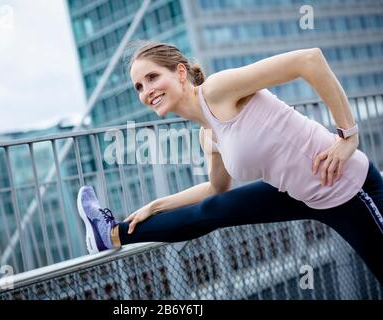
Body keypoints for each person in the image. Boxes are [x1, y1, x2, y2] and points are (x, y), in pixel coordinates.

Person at [77, 41, 383, 285]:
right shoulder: (207, 136)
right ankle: (111, 234)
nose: (147, 91)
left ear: (181, 73)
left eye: (152, 77)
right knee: (213, 211)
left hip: (346, 187)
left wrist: (348, 137)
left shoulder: (218, 90)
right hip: (300, 193)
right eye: (139, 87)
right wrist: (156, 206)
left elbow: (309, 60)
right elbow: (216, 189)